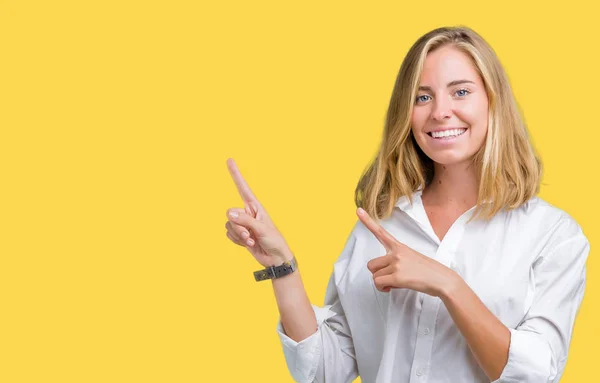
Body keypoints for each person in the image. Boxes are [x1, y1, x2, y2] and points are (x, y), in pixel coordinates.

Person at [224, 25, 590, 383]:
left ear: (493, 101)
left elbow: (536, 374)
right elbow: (323, 371)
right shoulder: (382, 226)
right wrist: (281, 266)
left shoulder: (552, 236)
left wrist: (447, 283)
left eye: (461, 92)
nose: (440, 112)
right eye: (422, 96)